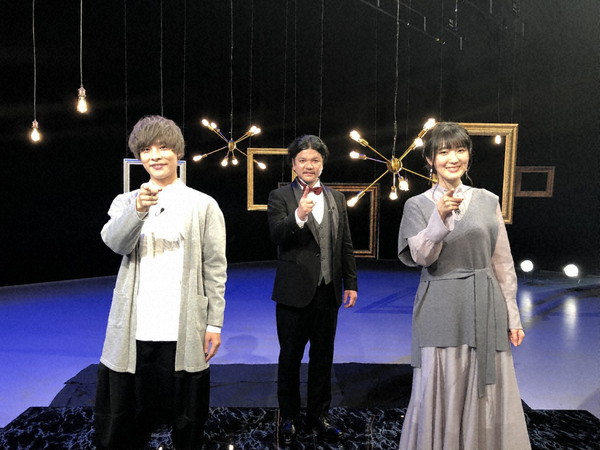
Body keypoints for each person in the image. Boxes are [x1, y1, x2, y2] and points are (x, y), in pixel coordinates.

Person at [94, 115, 227, 449]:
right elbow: (114, 243)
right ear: (139, 157)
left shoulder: (203, 204)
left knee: (186, 414)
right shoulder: (126, 201)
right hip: (136, 325)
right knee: (128, 414)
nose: (154, 156)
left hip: (182, 324)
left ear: (177, 153)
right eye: (146, 150)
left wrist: (214, 324)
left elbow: (215, 268)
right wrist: (137, 210)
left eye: (163, 147)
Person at [397, 122, 530, 449]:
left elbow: (502, 262)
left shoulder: (488, 200)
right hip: (440, 305)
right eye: (444, 152)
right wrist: (438, 220)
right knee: (442, 382)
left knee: (485, 384)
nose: (453, 158)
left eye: (460, 150)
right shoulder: (417, 205)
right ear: (430, 159)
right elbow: (422, 257)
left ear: (469, 155)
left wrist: (513, 316)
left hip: (485, 302)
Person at [267, 134, 358, 445]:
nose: (309, 165)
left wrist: (351, 282)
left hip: (328, 292)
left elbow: (345, 243)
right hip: (293, 294)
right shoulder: (280, 196)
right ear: (293, 165)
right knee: (290, 358)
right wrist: (300, 215)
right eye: (303, 160)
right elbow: (276, 235)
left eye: (315, 160)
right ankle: (289, 417)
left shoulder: (337, 198)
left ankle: (319, 415)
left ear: (323, 164)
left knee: (323, 358)